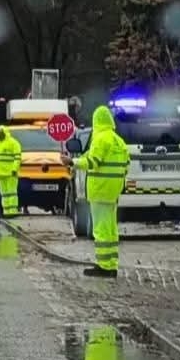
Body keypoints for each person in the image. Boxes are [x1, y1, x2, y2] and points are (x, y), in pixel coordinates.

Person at [62, 105, 130, 277]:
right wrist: (77, 160)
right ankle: (111, 264)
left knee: (100, 229)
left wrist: (72, 163)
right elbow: (126, 165)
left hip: (100, 190)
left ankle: (103, 265)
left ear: (96, 120)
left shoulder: (100, 139)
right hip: (113, 191)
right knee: (111, 228)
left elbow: (92, 162)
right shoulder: (118, 140)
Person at [0, 125, 22, 217]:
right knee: (4, 194)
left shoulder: (13, 143)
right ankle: (7, 211)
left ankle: (13, 211)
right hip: (0, 174)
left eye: (1, 133)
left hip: (11, 173)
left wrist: (14, 169)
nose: (0, 134)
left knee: (12, 193)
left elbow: (17, 158)